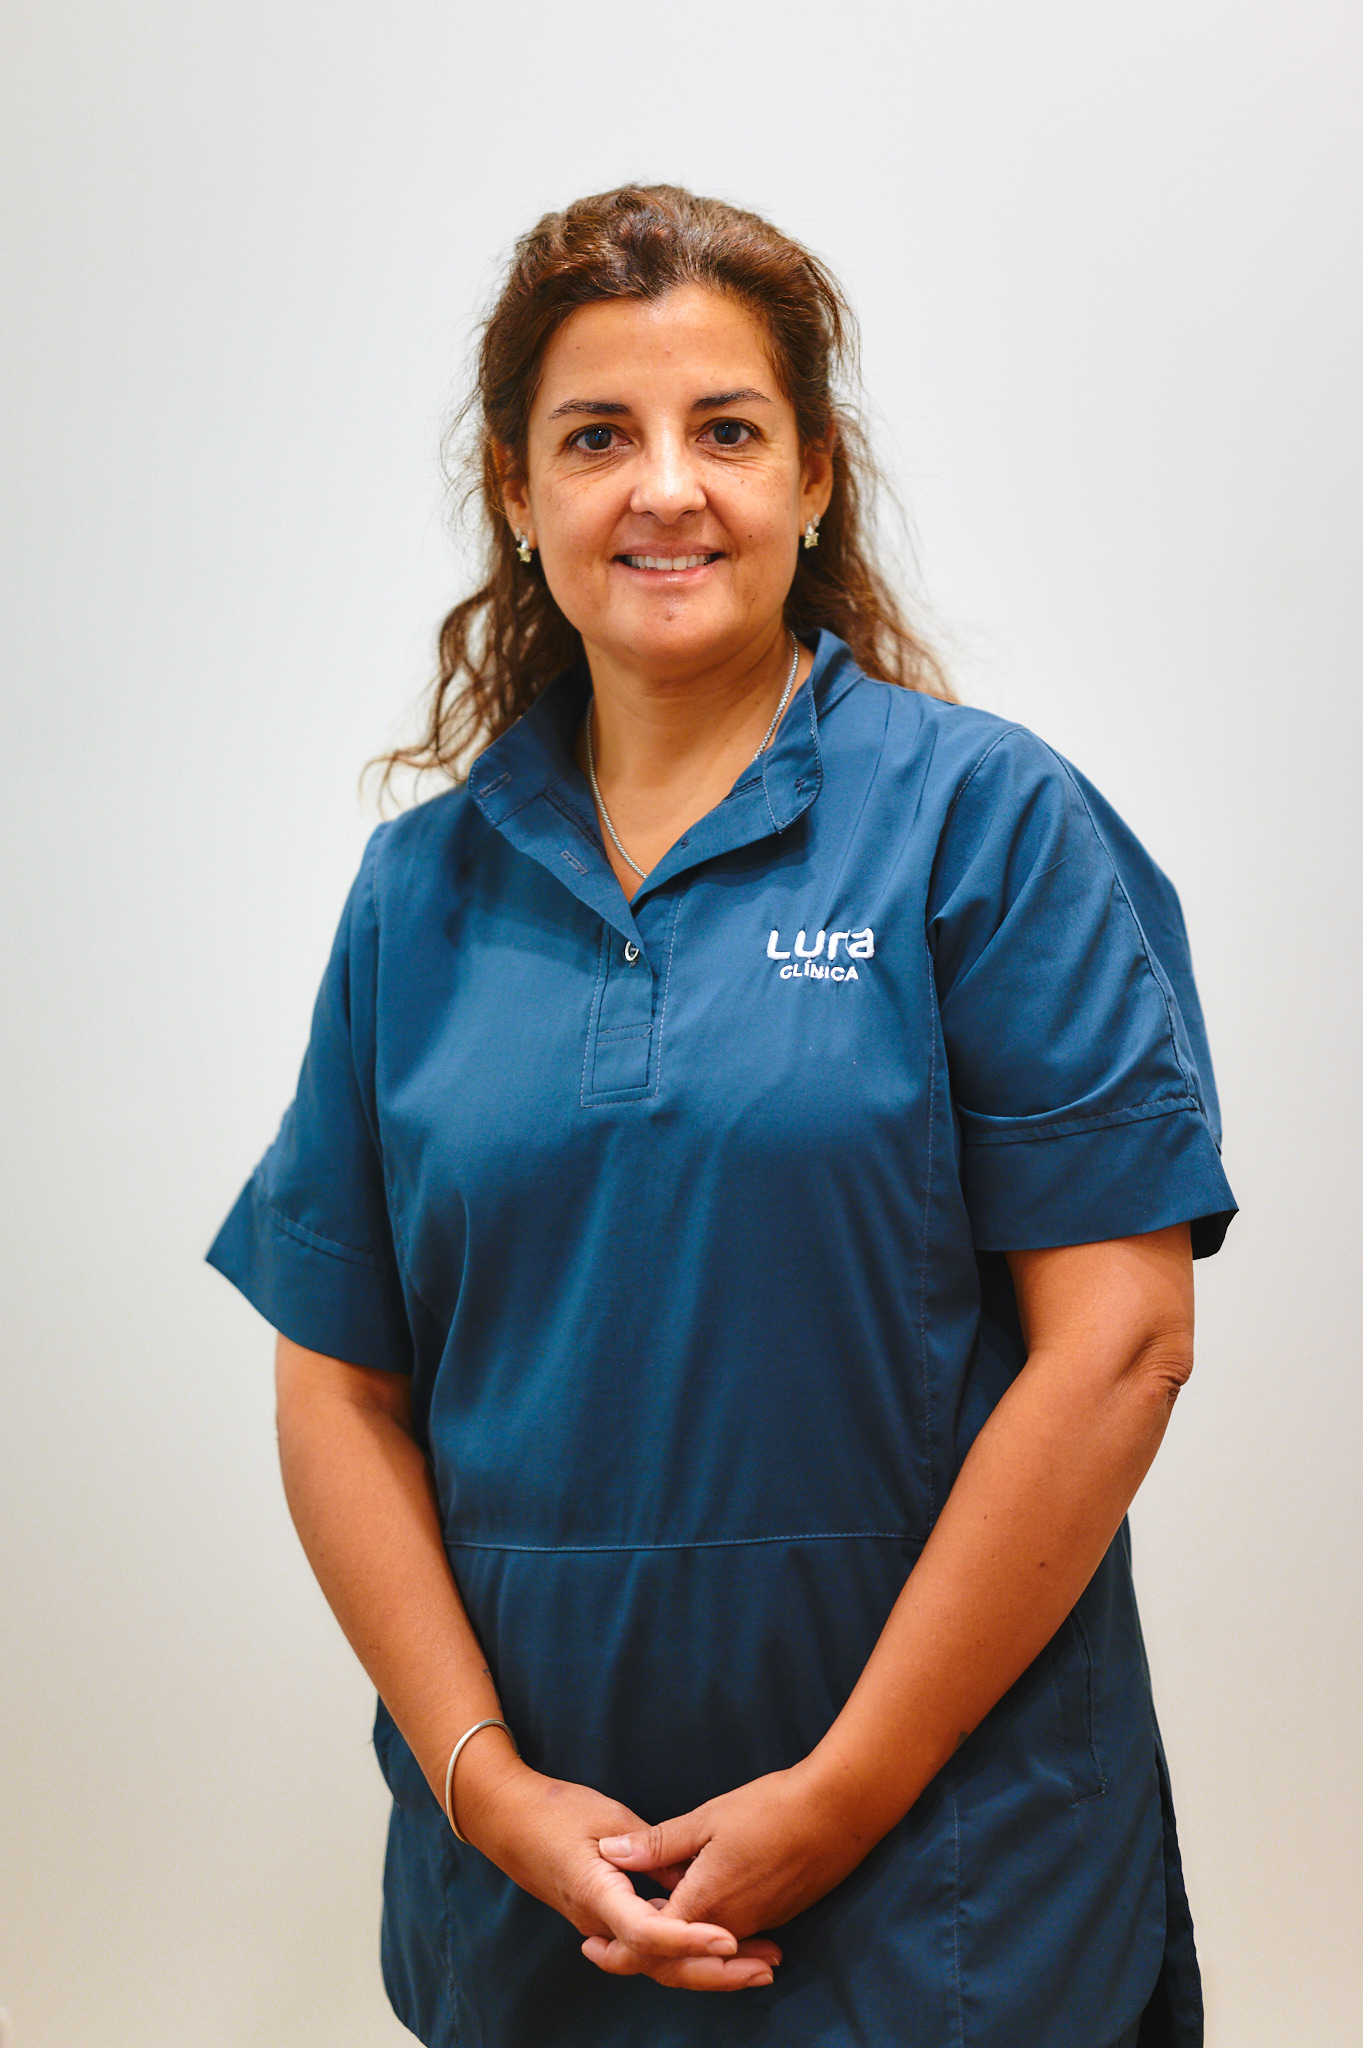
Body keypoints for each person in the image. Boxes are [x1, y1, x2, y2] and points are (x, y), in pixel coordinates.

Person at [208, 185, 1236, 2048]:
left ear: (815, 475)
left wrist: (843, 1794)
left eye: (729, 431)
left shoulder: (986, 829)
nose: (666, 488)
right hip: (543, 1908)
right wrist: (487, 1789)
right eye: (598, 436)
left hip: (950, 1894)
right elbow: (337, 1391)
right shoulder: (417, 898)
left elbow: (1121, 1343)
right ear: (518, 492)